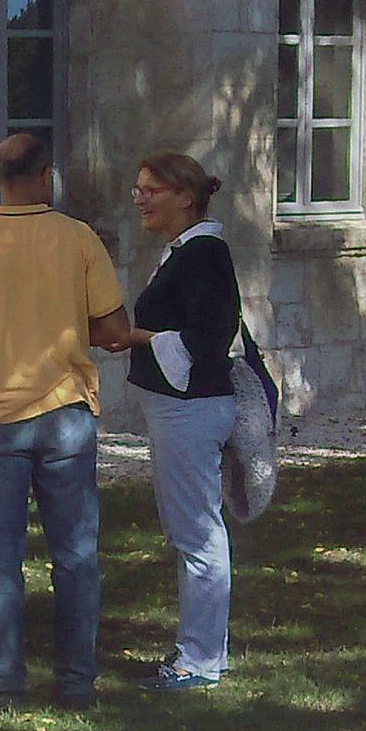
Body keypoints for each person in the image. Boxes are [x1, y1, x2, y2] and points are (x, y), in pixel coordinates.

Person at [0, 133, 131, 708]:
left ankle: (2, 679)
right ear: (47, 174)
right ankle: (76, 680)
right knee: (76, 556)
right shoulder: (78, 238)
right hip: (65, 411)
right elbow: (115, 329)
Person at [118, 151, 242, 693]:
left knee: (198, 532)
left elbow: (208, 338)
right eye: (138, 189)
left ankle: (200, 660)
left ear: (185, 198)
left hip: (190, 408)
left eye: (151, 190)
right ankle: (199, 650)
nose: (139, 199)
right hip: (177, 408)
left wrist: (134, 337)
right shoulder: (185, 252)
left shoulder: (203, 254)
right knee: (189, 528)